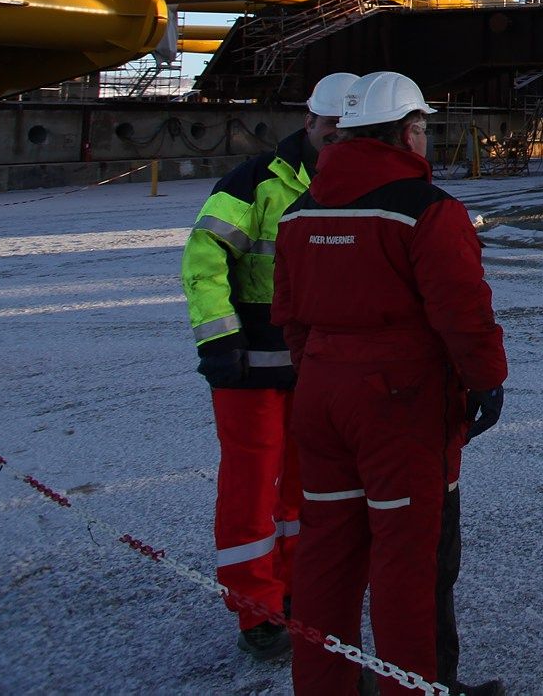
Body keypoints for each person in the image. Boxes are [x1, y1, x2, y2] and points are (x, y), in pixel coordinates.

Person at [273, 71, 507, 696]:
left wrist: (322, 369)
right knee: (407, 562)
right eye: (424, 129)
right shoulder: (425, 211)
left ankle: (323, 687)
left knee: (327, 555)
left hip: (321, 396)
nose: (426, 141)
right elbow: (463, 311)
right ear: (407, 133)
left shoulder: (300, 212)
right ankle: (414, 689)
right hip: (398, 404)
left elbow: (289, 316)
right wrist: (486, 382)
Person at [181, 70, 359, 663]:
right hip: (249, 365)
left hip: (312, 367)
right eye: (329, 128)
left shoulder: (351, 183)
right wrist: (218, 340)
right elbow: (204, 259)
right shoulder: (254, 182)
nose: (335, 139)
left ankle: (293, 590)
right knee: (251, 487)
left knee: (305, 488)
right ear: (309, 121)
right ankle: (255, 610)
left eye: (346, 130)